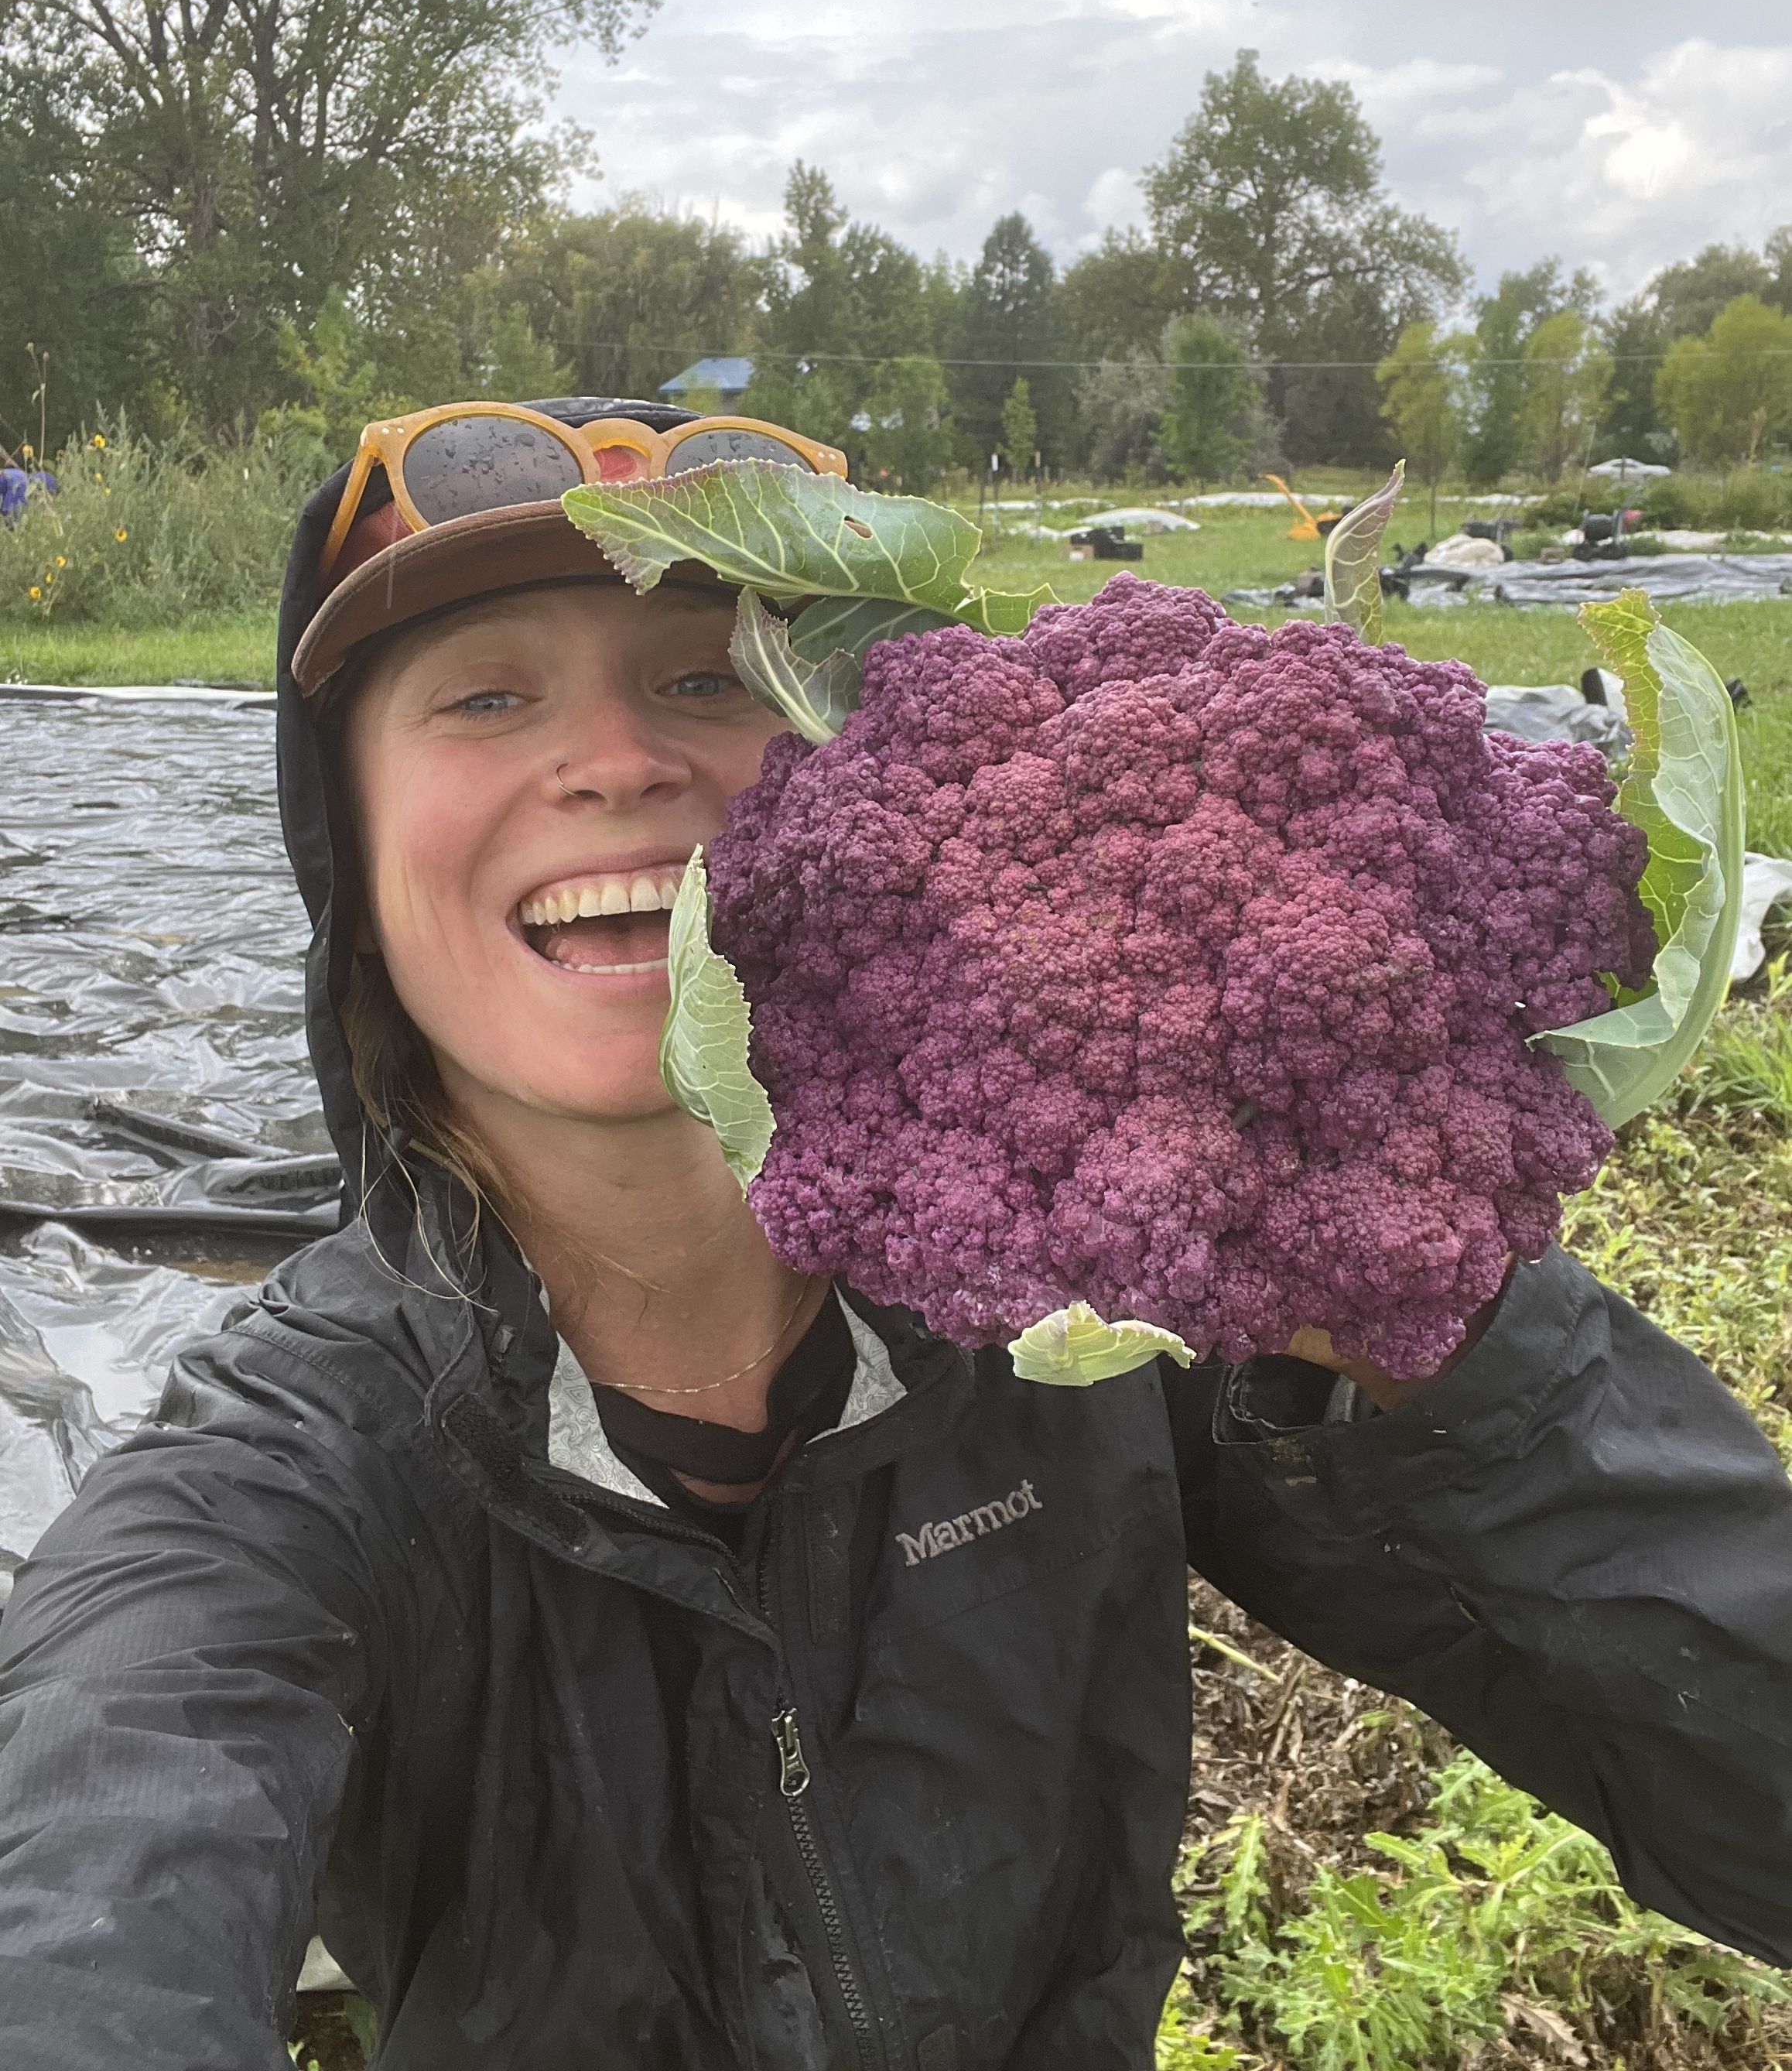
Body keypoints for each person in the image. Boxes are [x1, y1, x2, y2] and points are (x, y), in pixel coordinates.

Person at [1, 394, 1790, 2071]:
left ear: (859, 790)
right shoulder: (288, 1476)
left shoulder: (1101, 1309)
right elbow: (98, 1862)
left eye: (703, 676)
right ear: (352, 857)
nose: (615, 761)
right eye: (484, 698)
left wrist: (1457, 1350)